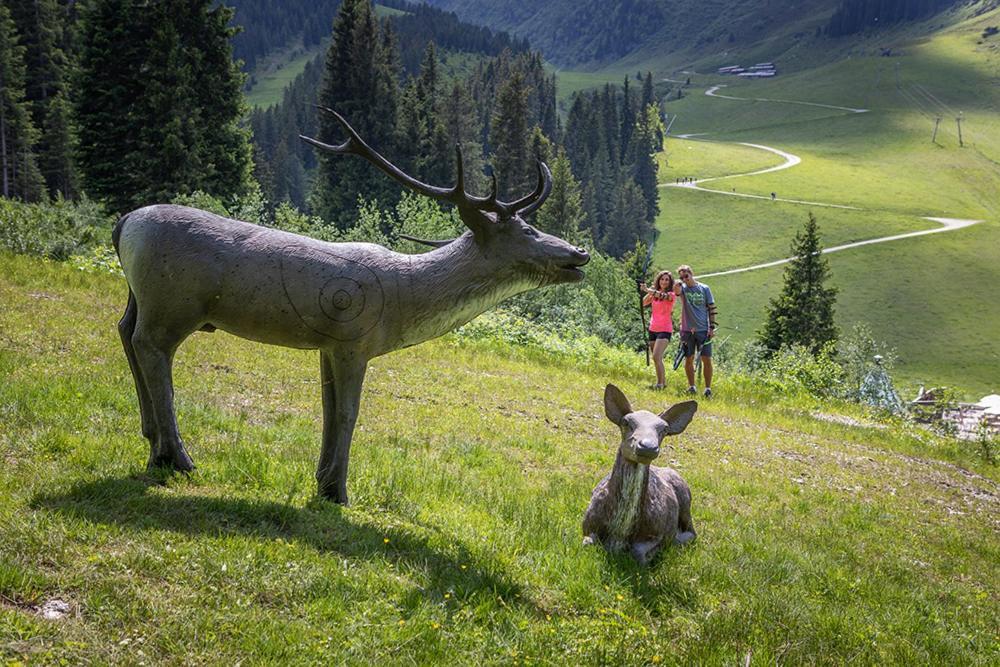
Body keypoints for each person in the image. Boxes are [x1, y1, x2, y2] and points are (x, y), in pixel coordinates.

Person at [674, 265, 718, 397]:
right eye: (682, 277)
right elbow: (676, 291)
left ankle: (708, 389)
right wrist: (678, 283)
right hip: (687, 331)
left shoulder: (704, 288)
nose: (685, 279)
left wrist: (712, 327)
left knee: (706, 359)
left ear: (691, 274)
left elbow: (711, 308)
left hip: (703, 329)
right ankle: (691, 386)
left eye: (686, 276)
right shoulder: (683, 290)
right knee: (688, 358)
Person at [640, 270, 676, 390]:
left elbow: (663, 296)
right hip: (653, 328)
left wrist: (649, 290)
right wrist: (648, 291)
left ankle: (660, 385)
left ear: (670, 282)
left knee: (656, 356)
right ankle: (662, 382)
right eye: (662, 279)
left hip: (665, 329)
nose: (664, 282)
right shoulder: (654, 294)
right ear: (658, 280)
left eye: (667, 280)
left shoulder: (671, 295)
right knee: (657, 359)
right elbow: (643, 303)